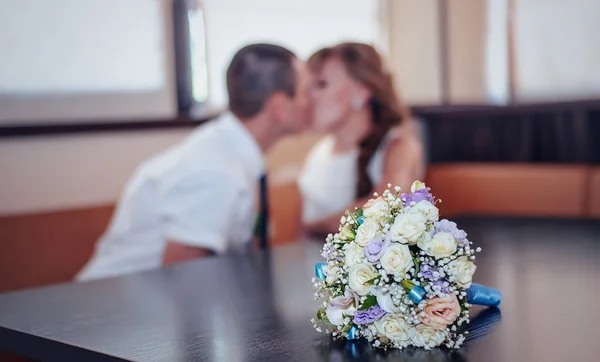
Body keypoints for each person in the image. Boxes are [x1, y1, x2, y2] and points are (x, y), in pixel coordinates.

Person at [77, 43, 311, 281]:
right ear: (279, 107)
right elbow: (185, 285)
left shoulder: (228, 150)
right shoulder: (217, 172)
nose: (311, 101)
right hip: (121, 311)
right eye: (305, 92)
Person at [298, 42, 424, 235]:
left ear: (362, 91)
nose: (309, 96)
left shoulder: (399, 149)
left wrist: (308, 229)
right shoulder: (318, 152)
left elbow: (384, 210)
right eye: (308, 86)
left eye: (321, 84)